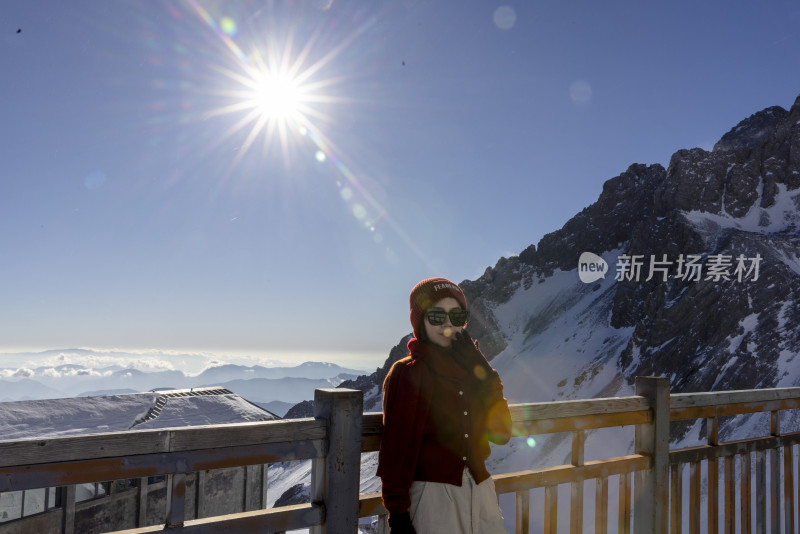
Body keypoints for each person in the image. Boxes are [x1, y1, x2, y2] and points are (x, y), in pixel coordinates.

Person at [377, 277, 513, 533]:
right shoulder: (408, 372)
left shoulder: (470, 370)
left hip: (482, 495)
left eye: (456, 316)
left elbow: (502, 434)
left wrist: (482, 369)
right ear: (420, 322)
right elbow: (396, 452)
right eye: (437, 317)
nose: (448, 325)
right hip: (432, 501)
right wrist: (398, 517)